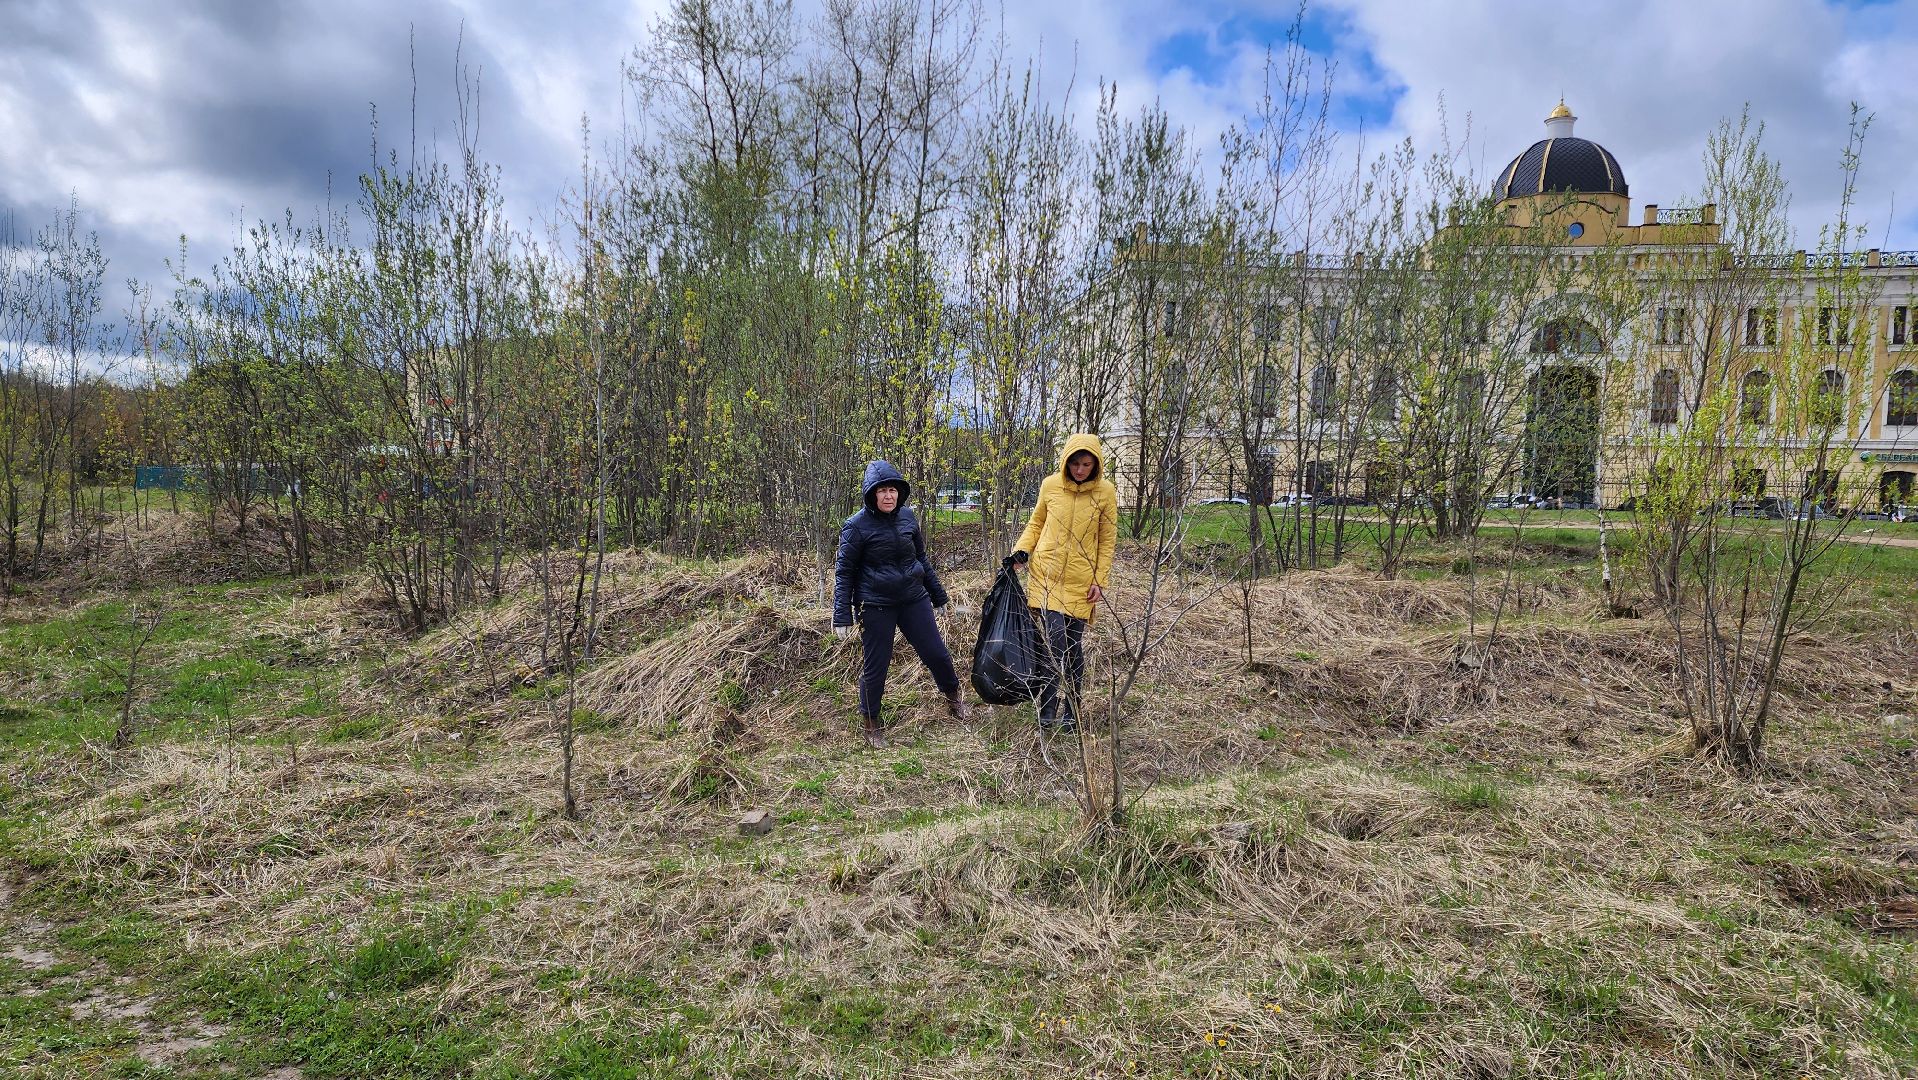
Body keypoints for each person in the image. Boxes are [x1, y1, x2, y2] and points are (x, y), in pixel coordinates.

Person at [833, 461, 971, 749]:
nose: (888, 496)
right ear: (871, 494)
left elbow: (921, 559)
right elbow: (844, 572)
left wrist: (939, 597)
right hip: (876, 604)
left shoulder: (908, 518)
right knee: (876, 668)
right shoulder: (855, 527)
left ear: (899, 493)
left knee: (937, 654)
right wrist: (841, 614)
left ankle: (954, 699)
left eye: (892, 490)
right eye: (882, 490)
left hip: (913, 599)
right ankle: (871, 724)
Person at [1009, 433, 1117, 733]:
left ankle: (1072, 709)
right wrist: (1021, 551)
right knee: (1056, 640)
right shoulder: (1050, 485)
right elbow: (1036, 523)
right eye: (1074, 463)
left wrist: (1100, 579)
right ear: (1065, 461)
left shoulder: (1106, 492)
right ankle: (1047, 709)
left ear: (1095, 465)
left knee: (1072, 645)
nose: (1079, 470)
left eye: (1086, 464)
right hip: (1047, 576)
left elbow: (1107, 539)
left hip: (1082, 582)